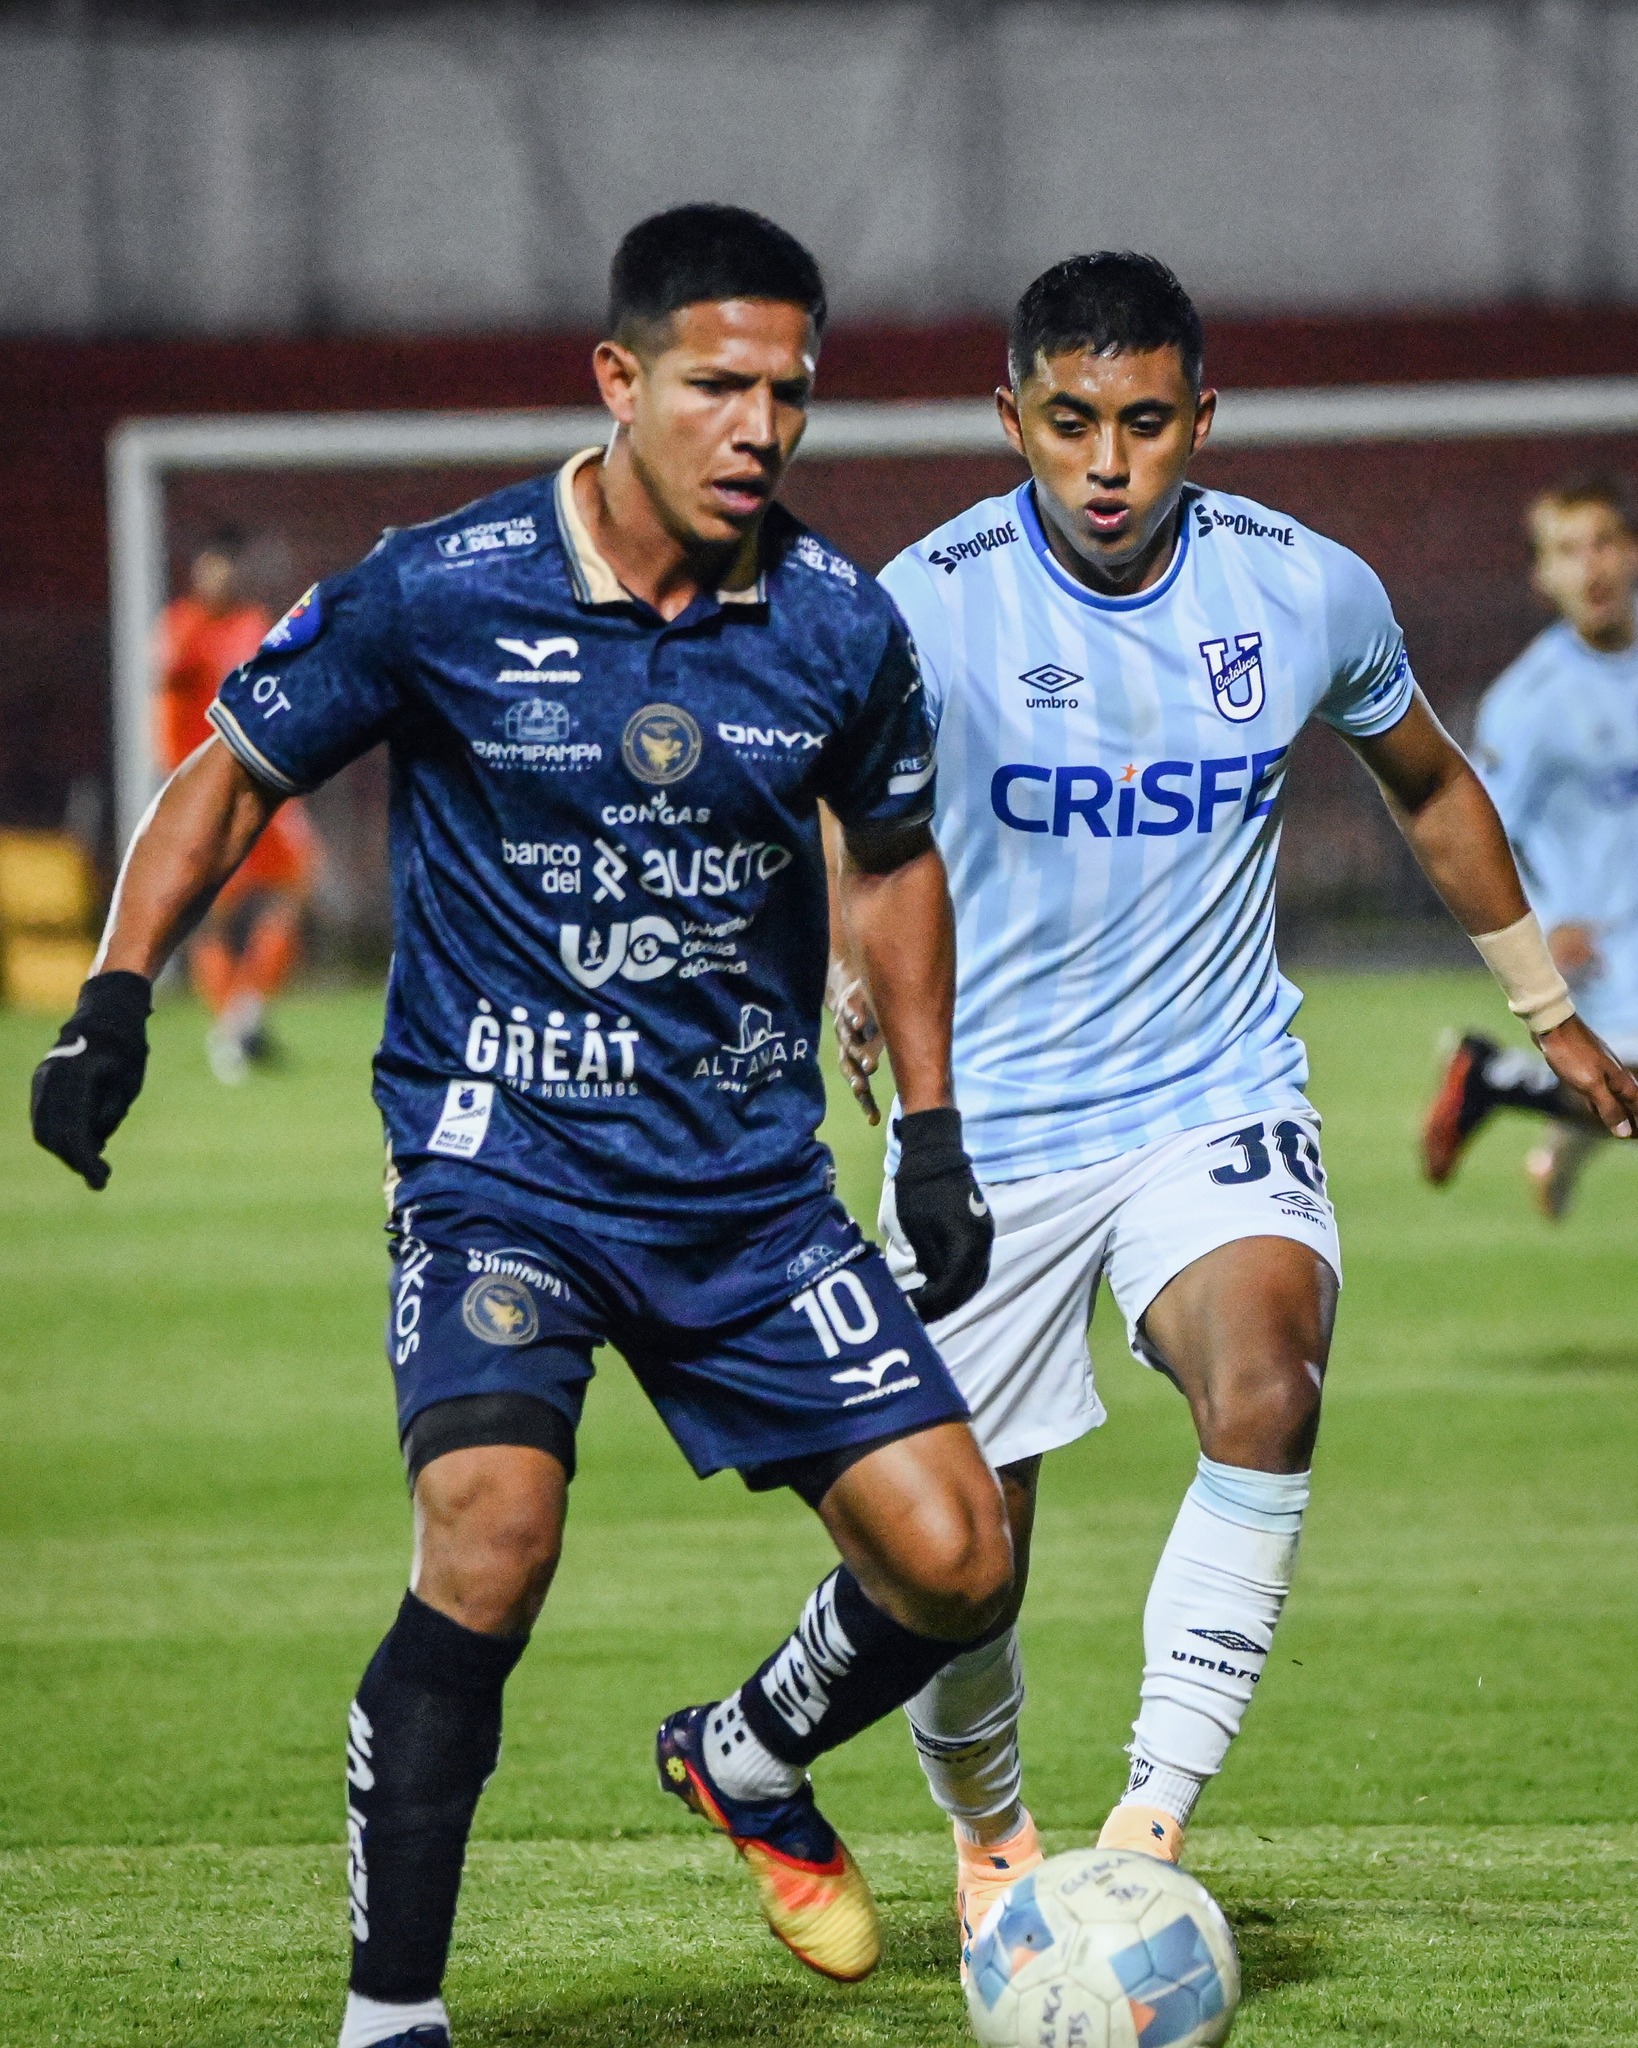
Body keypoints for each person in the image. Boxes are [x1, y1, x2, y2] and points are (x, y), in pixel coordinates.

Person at [31, 206, 1010, 2048]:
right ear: (618, 379)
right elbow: (231, 768)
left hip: (747, 1187)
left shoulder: (834, 625)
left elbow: (888, 869)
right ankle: (392, 2011)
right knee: (490, 1528)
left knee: (958, 1559)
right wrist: (115, 993)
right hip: (508, 1166)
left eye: (789, 392)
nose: (760, 428)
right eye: (718, 385)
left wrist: (935, 1128)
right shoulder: (445, 583)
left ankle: (743, 1750)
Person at [826, 252, 1638, 1970]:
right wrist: (854, 984)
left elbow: (1424, 780)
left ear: (1200, 417)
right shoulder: (923, 604)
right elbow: (850, 820)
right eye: (1068, 423)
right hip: (993, 1118)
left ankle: (1142, 1828)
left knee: (1267, 1383)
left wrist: (1544, 1016)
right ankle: (991, 1836)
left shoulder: (1298, 589)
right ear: (1009, 422)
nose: (1107, 462)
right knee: (964, 1549)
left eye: (1140, 421)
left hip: (1212, 1086)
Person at [1422, 475, 1638, 1215]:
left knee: (1624, 1095)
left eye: (1605, 542)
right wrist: (1545, 925)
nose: (1593, 567)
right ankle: (1497, 1079)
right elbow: (1480, 828)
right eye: (1569, 551)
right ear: (1544, 577)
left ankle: (1539, 1128)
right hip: (1603, 945)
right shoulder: (1533, 700)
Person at [154, 528, 317, 1082]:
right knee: (208, 912)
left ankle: (242, 1019)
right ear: (197, 572)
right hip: (204, 788)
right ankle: (233, 1027)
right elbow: (169, 688)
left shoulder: (252, 625)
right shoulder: (181, 627)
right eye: (209, 567)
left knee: (295, 887)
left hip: (258, 780)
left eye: (226, 566)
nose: (218, 577)